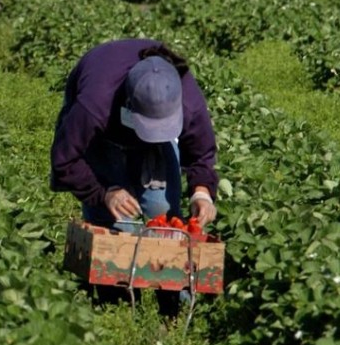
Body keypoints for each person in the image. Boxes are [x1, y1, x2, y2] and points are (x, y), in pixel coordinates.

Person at [50, 39, 218, 315]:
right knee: (114, 227)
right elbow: (65, 158)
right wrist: (103, 191)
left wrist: (201, 191)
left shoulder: (187, 98)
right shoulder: (95, 102)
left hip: (155, 149)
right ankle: (117, 308)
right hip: (102, 140)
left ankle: (171, 311)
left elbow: (201, 152)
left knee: (164, 222)